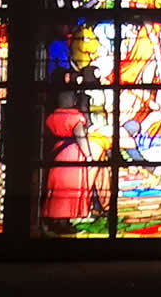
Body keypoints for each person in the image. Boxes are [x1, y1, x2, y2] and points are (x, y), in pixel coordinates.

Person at [43, 91, 105, 233]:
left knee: (57, 187)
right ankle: (63, 222)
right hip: (72, 154)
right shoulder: (75, 117)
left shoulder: (52, 117)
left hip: (57, 152)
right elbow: (81, 137)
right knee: (70, 188)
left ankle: (56, 220)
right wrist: (88, 156)